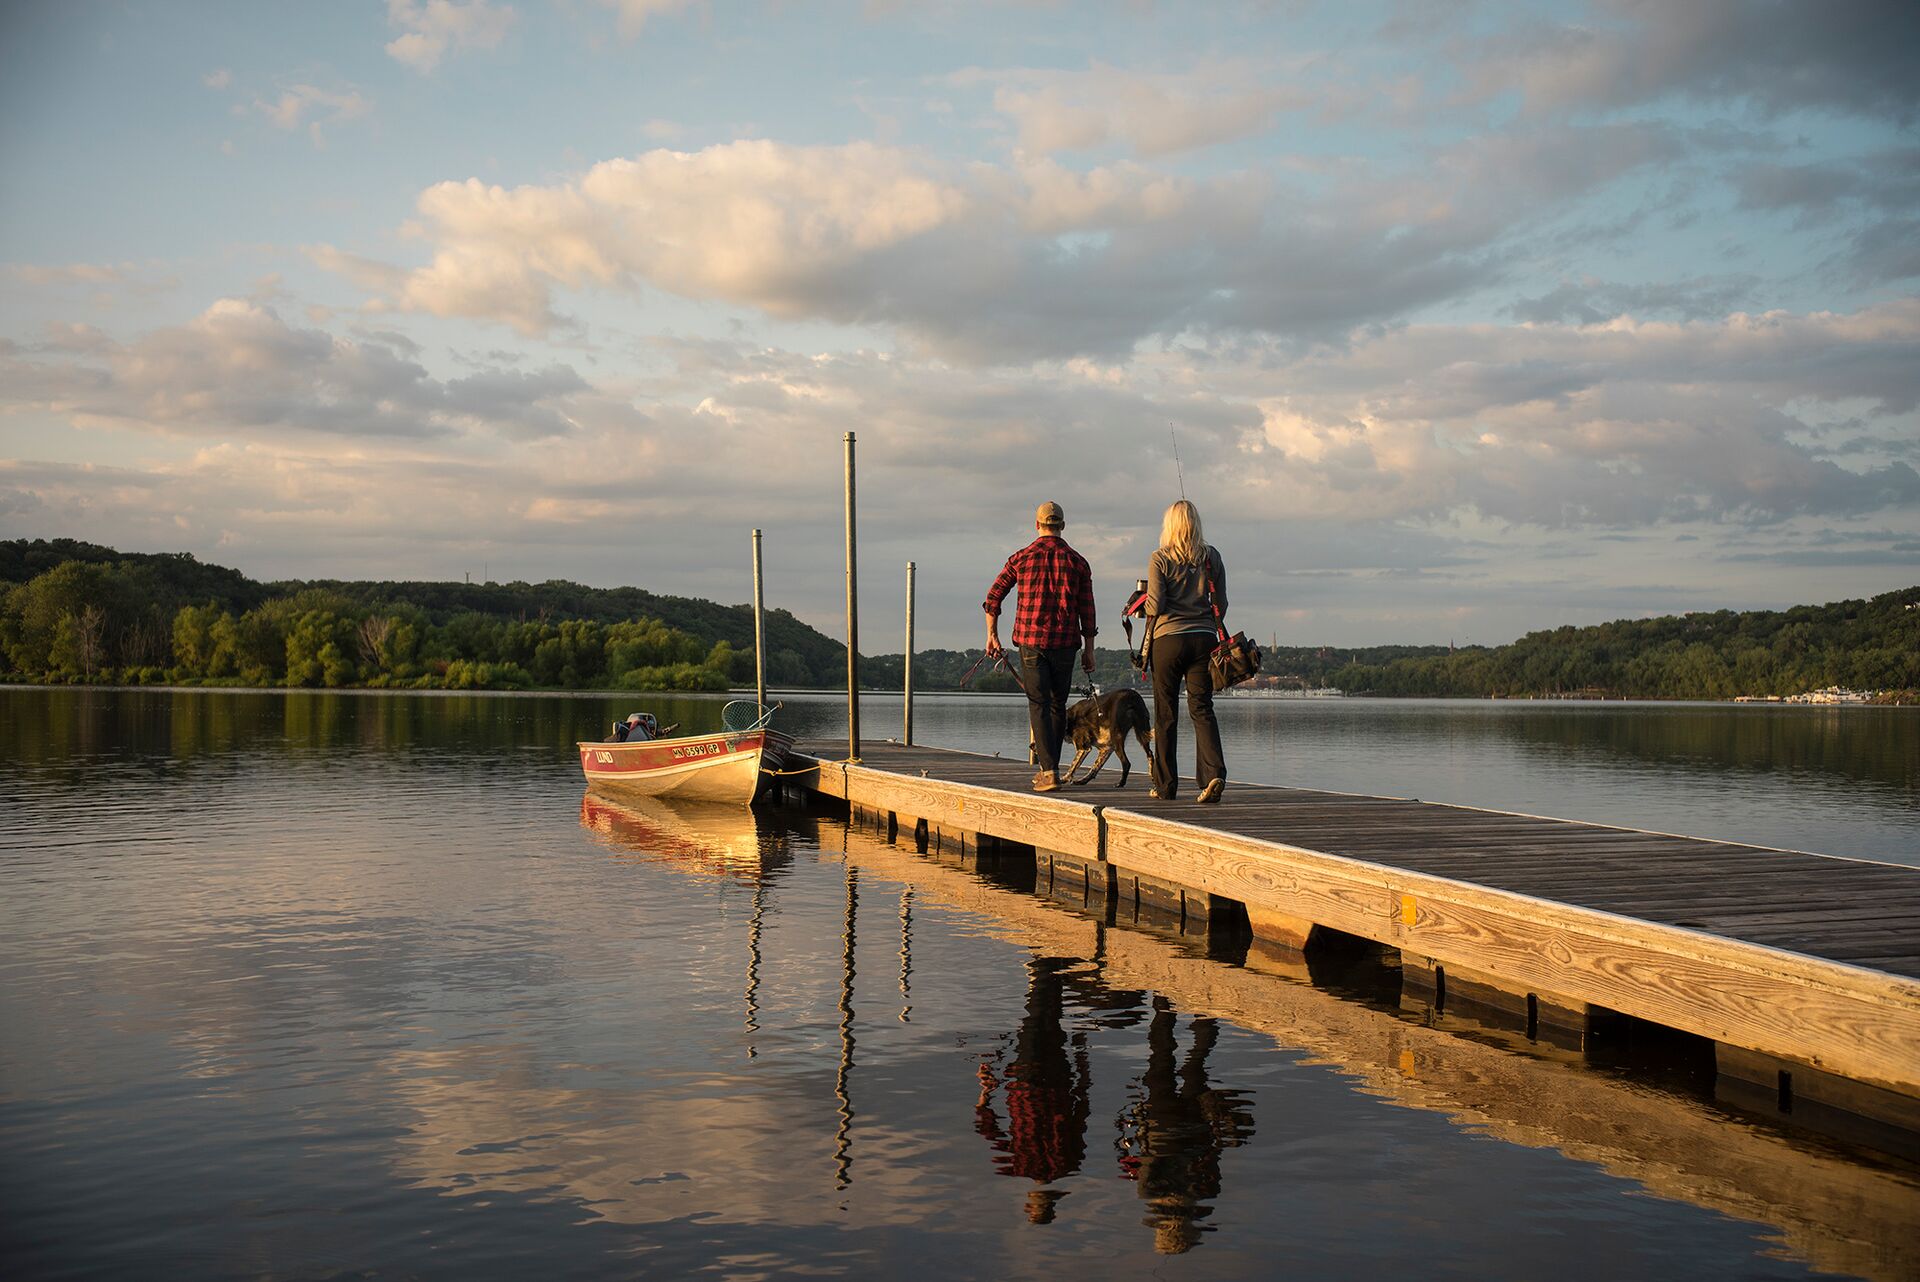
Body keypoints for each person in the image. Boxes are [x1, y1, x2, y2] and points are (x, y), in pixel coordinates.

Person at [984, 501, 1097, 792]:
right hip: (1065, 643)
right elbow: (1088, 611)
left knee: (1039, 704)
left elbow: (993, 597)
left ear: (1037, 525)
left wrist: (992, 635)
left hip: (1031, 642)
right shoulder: (1078, 562)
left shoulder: (1021, 558)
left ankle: (1048, 772)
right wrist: (1089, 649)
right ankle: (1052, 770)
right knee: (1058, 704)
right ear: (1062, 525)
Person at [1142, 499, 1227, 803]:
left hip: (1168, 640)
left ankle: (1165, 787)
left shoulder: (1159, 558)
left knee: (1166, 714)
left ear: (1170, 526)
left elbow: (1155, 606)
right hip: (1205, 638)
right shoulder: (1211, 556)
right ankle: (1213, 773)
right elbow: (1223, 604)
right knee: (1202, 708)